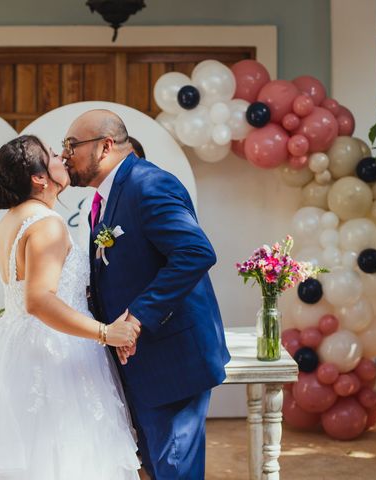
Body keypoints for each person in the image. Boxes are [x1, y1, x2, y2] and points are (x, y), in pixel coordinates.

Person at [0, 135, 141, 479]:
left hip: (15, 346)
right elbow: (39, 299)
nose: (62, 157)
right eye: (52, 155)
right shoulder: (47, 224)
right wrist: (105, 332)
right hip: (52, 355)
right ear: (38, 178)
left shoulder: (13, 219)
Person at [63, 110, 230, 479]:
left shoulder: (149, 185)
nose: (64, 155)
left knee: (173, 469)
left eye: (72, 145)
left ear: (105, 147)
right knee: (154, 468)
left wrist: (137, 317)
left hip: (172, 358)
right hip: (137, 361)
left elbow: (196, 252)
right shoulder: (105, 199)